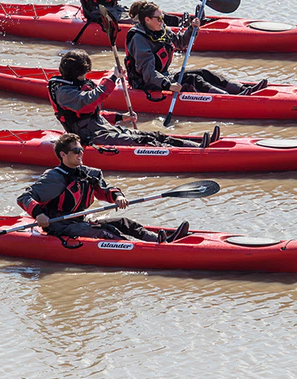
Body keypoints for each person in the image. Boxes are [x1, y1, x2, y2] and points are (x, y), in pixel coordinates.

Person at [17, 133, 190, 242]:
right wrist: (39, 214)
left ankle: (159, 240)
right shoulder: (54, 177)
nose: (81, 153)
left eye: (81, 150)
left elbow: (105, 191)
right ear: (63, 155)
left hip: (80, 220)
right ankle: (146, 248)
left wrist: (117, 197)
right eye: (76, 151)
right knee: (106, 232)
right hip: (59, 225)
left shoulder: (89, 173)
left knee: (124, 223)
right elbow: (24, 197)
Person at [48, 50, 215, 148]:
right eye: (83, 73)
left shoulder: (75, 84)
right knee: (146, 141)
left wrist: (121, 117)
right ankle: (196, 150)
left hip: (103, 129)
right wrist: (112, 78)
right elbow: (92, 98)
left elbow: (93, 116)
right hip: (90, 138)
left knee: (155, 135)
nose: (85, 77)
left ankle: (197, 145)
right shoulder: (65, 92)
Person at [125, 0, 268, 96]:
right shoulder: (139, 40)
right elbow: (148, 73)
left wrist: (192, 29)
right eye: (159, 18)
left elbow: (181, 43)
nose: (162, 21)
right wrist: (168, 85)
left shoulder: (161, 30)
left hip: (163, 76)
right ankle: (227, 98)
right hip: (146, 82)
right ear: (147, 20)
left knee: (203, 72)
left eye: (163, 17)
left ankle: (242, 90)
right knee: (192, 79)